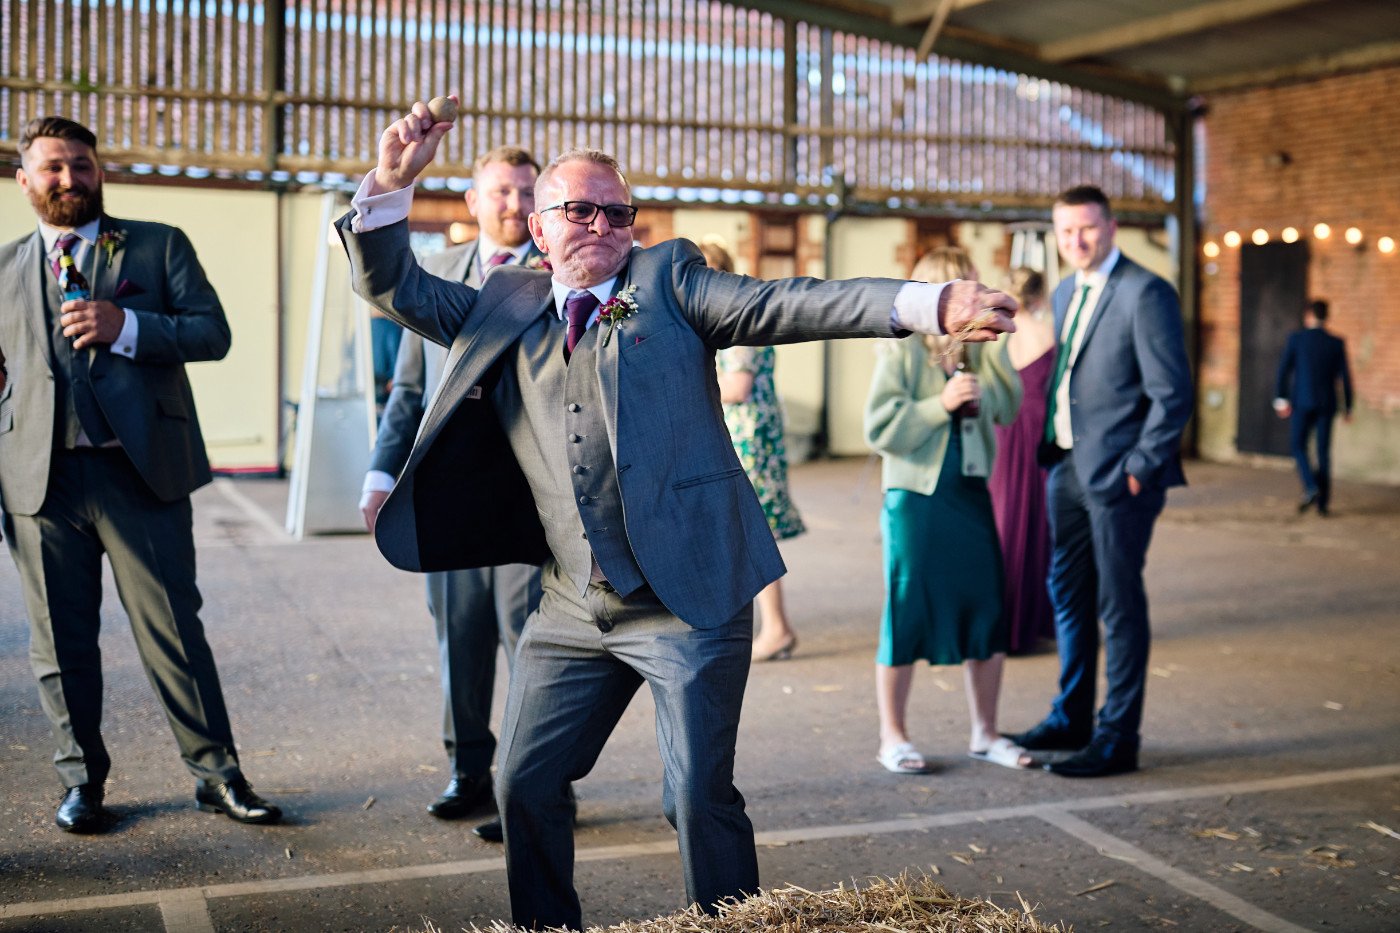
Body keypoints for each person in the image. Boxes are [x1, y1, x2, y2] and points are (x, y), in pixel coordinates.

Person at [338, 98, 1015, 930]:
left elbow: (787, 301)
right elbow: (391, 284)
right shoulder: (502, 302)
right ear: (539, 228)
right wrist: (389, 186)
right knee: (523, 782)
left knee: (695, 794)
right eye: (579, 209)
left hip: (690, 595)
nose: (602, 224)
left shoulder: (669, 281)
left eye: (617, 212)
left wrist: (924, 303)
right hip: (572, 604)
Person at [0, 116, 280, 832]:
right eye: (54, 168)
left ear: (101, 171)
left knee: (174, 634)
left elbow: (211, 332)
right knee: (59, 646)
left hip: (141, 475)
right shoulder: (2, 271)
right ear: (25, 180)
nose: (70, 179)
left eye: (82, 165)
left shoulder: (157, 245)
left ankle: (217, 775)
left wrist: (126, 326)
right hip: (40, 483)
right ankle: (82, 782)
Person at [359, 146, 545, 836]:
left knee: (532, 642)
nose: (516, 205)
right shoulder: (432, 274)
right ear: (472, 200)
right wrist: (382, 474)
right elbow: (409, 388)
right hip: (446, 493)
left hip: (527, 497)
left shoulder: (555, 278)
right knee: (457, 637)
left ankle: (536, 784)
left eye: (527, 192)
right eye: (501, 191)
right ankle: (468, 770)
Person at [1006, 185, 1192, 778]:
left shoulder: (1146, 292)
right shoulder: (1064, 290)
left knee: (1118, 605)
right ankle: (1073, 717)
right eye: (1065, 232)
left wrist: (1140, 467)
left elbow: (1173, 395)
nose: (1076, 241)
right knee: (1069, 595)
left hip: (1119, 478)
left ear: (1111, 226)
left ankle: (1117, 737)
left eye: (1086, 228)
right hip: (1064, 467)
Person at [865, 246, 1030, 775]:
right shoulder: (901, 350)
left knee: (986, 608)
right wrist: (942, 403)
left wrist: (996, 350)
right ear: (944, 289)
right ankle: (894, 736)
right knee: (906, 610)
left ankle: (986, 732)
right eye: (972, 286)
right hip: (915, 500)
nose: (981, 296)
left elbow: (1008, 409)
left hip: (971, 492)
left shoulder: (979, 351)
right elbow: (880, 427)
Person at [700, 239, 806, 663]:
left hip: (749, 439)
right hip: (749, 434)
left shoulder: (735, 321)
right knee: (742, 531)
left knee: (750, 531)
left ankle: (776, 627)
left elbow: (738, 387)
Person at [987, 268, 1057, 654]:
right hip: (1034, 434)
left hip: (1002, 432)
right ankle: (1031, 622)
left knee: (1001, 520)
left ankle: (999, 623)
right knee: (1034, 526)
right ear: (1041, 297)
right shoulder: (1049, 337)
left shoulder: (993, 335)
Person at [1273, 299, 1353, 517]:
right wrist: (1348, 407)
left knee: (1298, 445)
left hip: (1302, 403)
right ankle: (1323, 505)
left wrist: (1281, 399)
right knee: (1323, 452)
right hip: (1327, 404)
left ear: (1309, 315)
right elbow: (1346, 378)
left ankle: (1310, 485)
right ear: (1327, 316)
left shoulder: (1297, 340)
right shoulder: (1336, 343)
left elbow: (1283, 370)